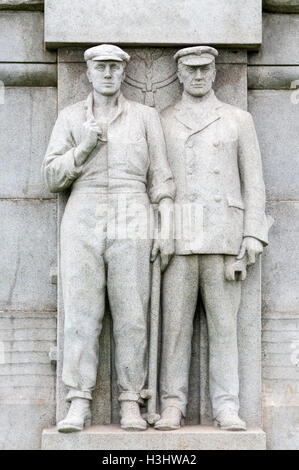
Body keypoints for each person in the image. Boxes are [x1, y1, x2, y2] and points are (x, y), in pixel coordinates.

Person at [42, 44, 175, 433]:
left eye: (115, 67)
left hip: (132, 209)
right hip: (82, 211)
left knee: (132, 312)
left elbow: (161, 178)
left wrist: (166, 225)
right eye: (100, 67)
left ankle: (131, 401)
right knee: (81, 312)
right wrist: (83, 149)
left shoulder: (145, 117)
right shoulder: (70, 118)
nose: (108, 74)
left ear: (123, 72)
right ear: (88, 72)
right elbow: (51, 177)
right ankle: (79, 400)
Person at [155, 46, 269, 431]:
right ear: (180, 75)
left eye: (205, 69)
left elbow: (254, 181)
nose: (199, 76)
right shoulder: (164, 120)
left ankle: (226, 405)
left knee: (225, 328)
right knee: (175, 328)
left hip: (225, 238)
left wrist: (253, 233)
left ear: (215, 72)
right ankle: (172, 404)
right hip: (179, 240)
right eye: (191, 70)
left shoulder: (238, 119)